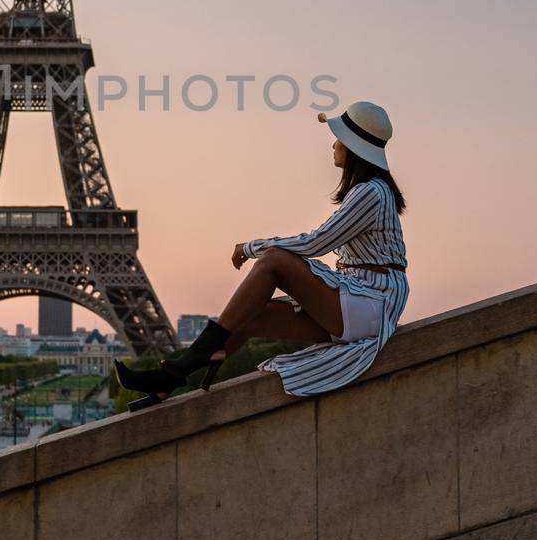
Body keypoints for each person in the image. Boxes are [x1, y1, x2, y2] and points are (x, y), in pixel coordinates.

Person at [115, 100, 408, 407]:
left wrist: (251, 247)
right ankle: (168, 380)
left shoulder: (370, 193)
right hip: (361, 302)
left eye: (338, 138)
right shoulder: (369, 192)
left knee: (273, 262)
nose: (333, 144)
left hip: (372, 304)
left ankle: (196, 355)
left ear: (352, 146)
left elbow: (315, 243)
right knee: (253, 315)